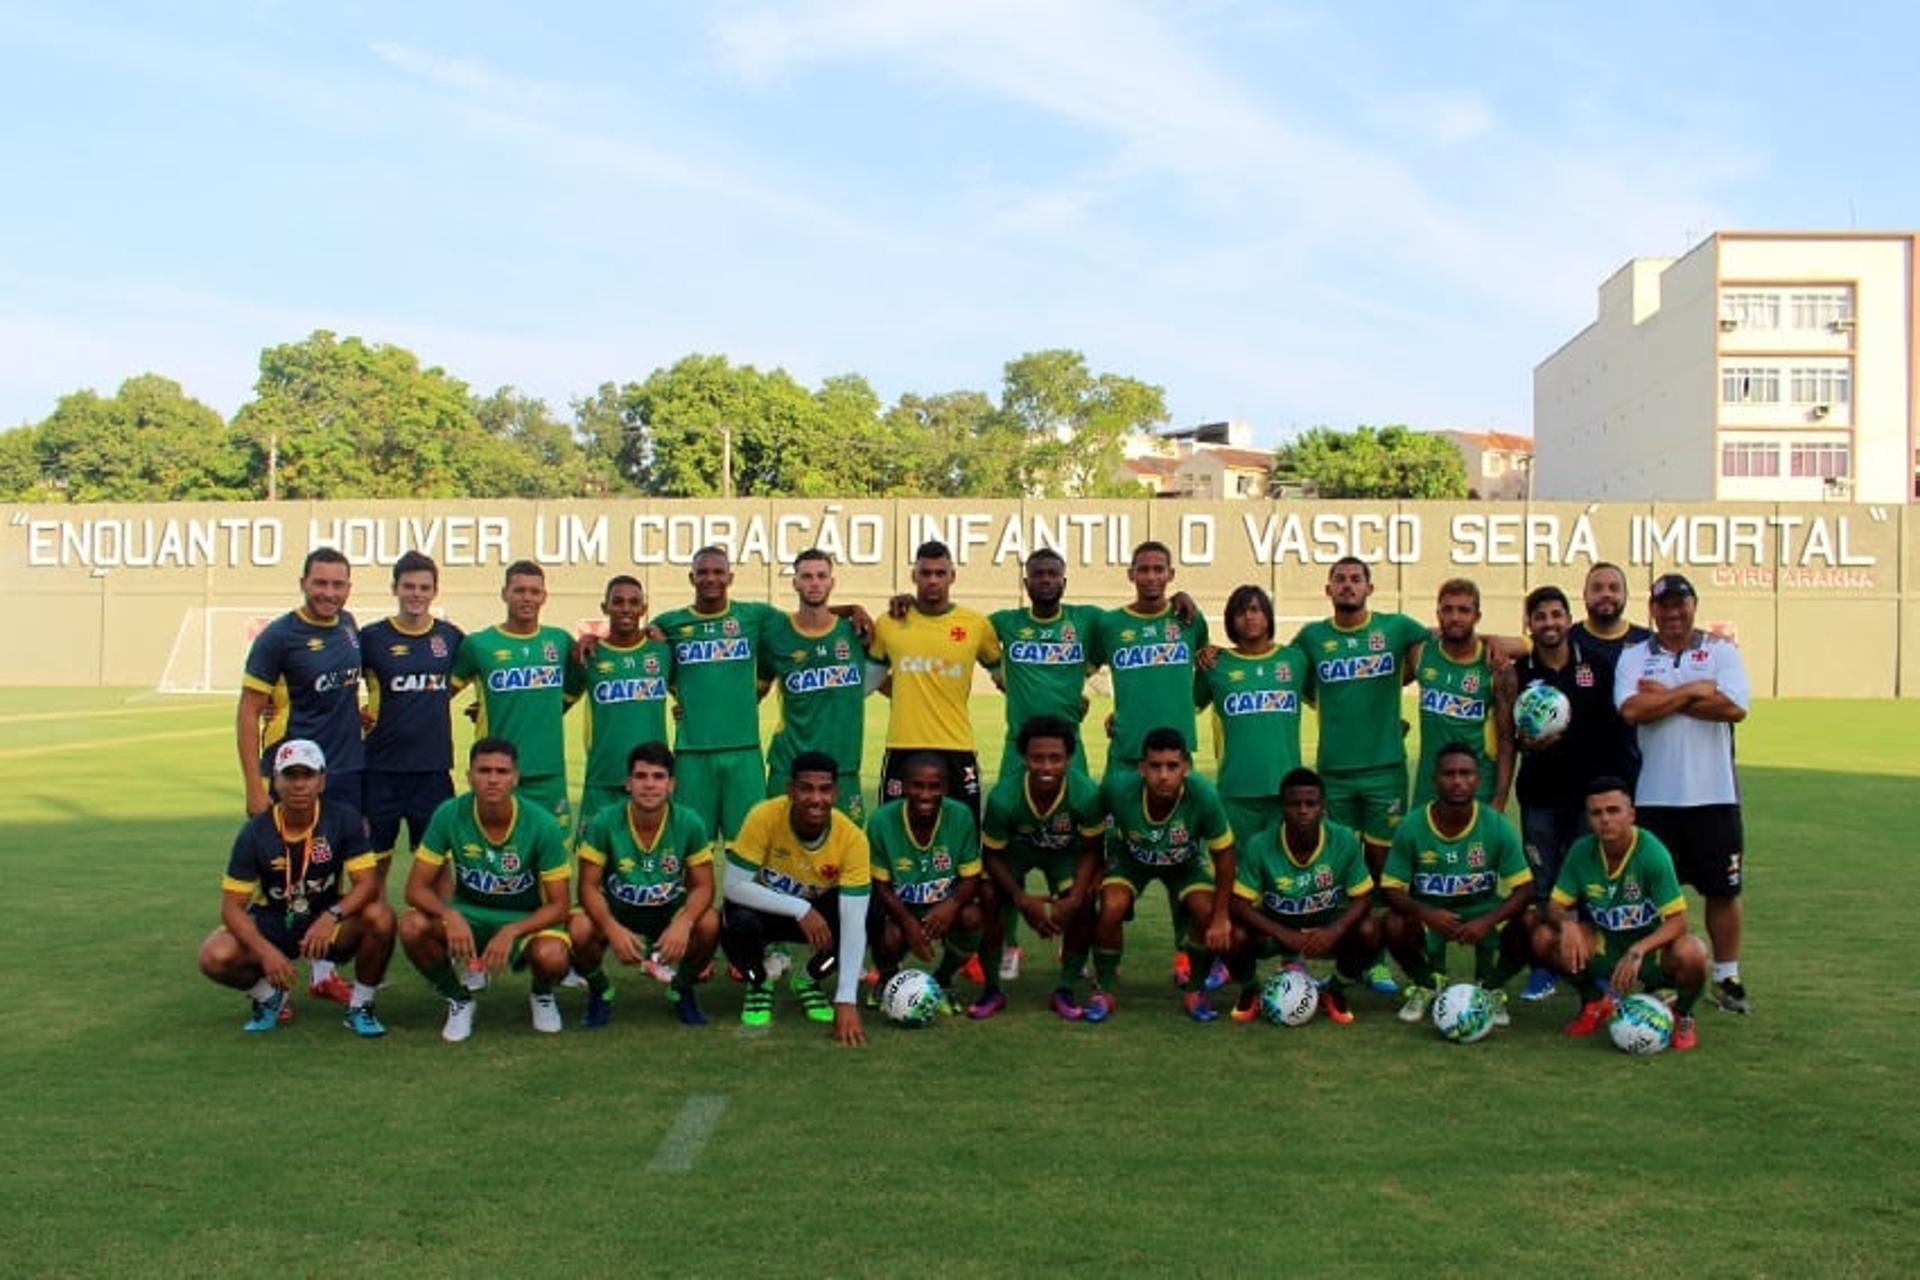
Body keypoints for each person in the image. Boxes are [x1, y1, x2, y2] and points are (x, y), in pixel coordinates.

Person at [1615, 573, 1752, 1014]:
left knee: (1723, 890)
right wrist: (1695, 690)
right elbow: (1633, 710)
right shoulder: (1635, 656)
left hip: (1714, 795)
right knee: (1655, 894)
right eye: (1664, 605)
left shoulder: (1719, 650)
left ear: (1693, 605)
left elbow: (1734, 707)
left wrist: (1668, 697)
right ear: (1652, 610)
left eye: (1681, 604)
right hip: (1655, 797)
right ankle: (1661, 975)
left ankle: (1727, 975)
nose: (1673, 612)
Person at [1290, 555, 1427, 994]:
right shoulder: (1312, 638)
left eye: (1356, 579)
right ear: (1327, 589)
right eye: (1340, 580)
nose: (1348, 586)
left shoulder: (1397, 628)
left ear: (1370, 588)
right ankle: (1346, 952)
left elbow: (1432, 652)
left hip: (1384, 771)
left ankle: (1378, 960)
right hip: (1334, 773)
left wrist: (1393, 697)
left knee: (1385, 871)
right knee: (1340, 870)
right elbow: (1293, 678)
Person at [236, 546, 366, 1003]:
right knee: (282, 876)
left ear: (348, 588)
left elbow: (345, 691)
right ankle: (267, 983)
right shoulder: (279, 637)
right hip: (292, 776)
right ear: (303, 583)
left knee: (331, 871)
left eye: (337, 584)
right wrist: (255, 784)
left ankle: (322, 974)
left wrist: (362, 716)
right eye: (321, 583)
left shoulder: (349, 627)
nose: (329, 592)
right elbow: (249, 709)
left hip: (347, 771)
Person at [197, 739, 394, 1036]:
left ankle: (361, 1006)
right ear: (275, 781)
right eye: (290, 775)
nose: (299, 784)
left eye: (307, 775)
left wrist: (332, 916)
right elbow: (231, 907)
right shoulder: (255, 833)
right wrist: (265, 952)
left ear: (322, 780)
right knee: (214, 954)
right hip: (273, 920)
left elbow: (367, 884)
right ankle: (269, 997)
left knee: (381, 916)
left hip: (326, 919)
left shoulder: (343, 819)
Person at [399, 738, 574, 1042]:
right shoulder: (449, 813)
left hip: (524, 917)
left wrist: (511, 931)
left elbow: (559, 905)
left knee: (553, 957)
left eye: (502, 771)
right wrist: (448, 914)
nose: (493, 779)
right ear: (469, 776)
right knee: (412, 926)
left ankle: (542, 993)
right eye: (484, 770)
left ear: (515, 778)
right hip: (469, 916)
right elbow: (415, 889)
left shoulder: (542, 823)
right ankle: (459, 998)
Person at [1504, 584, 1631, 1002]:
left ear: (1568, 618)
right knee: (1544, 887)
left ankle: (1591, 967)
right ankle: (1545, 966)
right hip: (1540, 798)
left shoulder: (1595, 665)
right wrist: (1527, 743)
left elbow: (1615, 732)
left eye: (1556, 615)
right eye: (1540, 617)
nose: (1549, 623)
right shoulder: (1519, 671)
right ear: (1530, 624)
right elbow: (1509, 736)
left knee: (1588, 888)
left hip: (1587, 801)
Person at [1532, 778, 1708, 1050]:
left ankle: (1682, 1013)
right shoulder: (1581, 851)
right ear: (1588, 818)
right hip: (1607, 946)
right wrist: (1568, 924)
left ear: (1631, 814)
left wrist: (1639, 950)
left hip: (1651, 951)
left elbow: (1679, 920)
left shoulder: (1652, 853)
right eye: (1596, 813)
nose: (1605, 819)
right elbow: (1555, 905)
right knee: (1544, 937)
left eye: (1613, 810)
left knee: (1693, 952)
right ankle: (1594, 1002)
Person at [719, 751, 872, 1045]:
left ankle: (810, 978)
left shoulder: (852, 839)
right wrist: (800, 908)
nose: (816, 799)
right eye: (806, 788)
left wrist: (846, 1000)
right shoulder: (763, 816)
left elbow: (854, 920)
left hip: (819, 921)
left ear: (836, 793)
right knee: (736, 920)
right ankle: (759, 980)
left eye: (825, 789)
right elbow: (733, 886)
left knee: (870, 914)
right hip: (769, 912)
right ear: (791, 790)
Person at [1379, 744, 1533, 1025]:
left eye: (1466, 773)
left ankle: (1491, 986)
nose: (1458, 781)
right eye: (1449, 774)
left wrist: (1487, 921)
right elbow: (1391, 887)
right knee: (1393, 923)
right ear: (1434, 779)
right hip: (1431, 912)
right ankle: (1426, 984)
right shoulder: (1412, 826)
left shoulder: (1496, 825)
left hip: (1482, 910)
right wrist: (1426, 913)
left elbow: (1524, 889)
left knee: (1530, 922)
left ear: (1478, 779)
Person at [569, 741, 718, 1028]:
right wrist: (612, 929)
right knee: (579, 927)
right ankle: (600, 990)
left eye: (658, 777)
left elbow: (703, 887)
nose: (649, 785)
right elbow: (587, 887)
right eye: (641, 776)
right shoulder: (604, 822)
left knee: (709, 922)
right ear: (628, 783)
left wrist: (684, 923)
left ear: (671, 784)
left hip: (668, 909)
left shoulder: (689, 822)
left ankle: (682, 988)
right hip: (618, 908)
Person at [1092, 727, 1237, 1023]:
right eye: (1155, 766)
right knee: (1111, 906)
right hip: (1132, 860)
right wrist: (1097, 868)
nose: (1163, 775)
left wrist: (1222, 916)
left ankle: (1196, 989)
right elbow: (1092, 829)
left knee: (1206, 909)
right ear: (1141, 768)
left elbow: (1225, 857)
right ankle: (1103, 988)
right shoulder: (1117, 789)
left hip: (1183, 863)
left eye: (1172, 766)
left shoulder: (1204, 795)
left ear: (1186, 767)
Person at [1224, 767, 1380, 1025]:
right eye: (1295, 804)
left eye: (1311, 803)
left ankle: (1335, 991)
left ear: (1323, 807)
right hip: (1276, 931)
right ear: (1282, 808)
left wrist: (1334, 931)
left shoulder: (1343, 839)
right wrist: (1284, 934)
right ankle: (1251, 990)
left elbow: (1363, 897)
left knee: (1370, 929)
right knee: (1233, 934)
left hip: (1325, 931)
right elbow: (1239, 905)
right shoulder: (1260, 844)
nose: (1303, 810)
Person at [980, 715, 1107, 1020]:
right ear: (1024, 758)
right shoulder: (1003, 797)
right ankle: (992, 988)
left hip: (1064, 855)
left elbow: (1092, 851)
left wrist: (1074, 899)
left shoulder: (1086, 794)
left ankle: (1065, 987)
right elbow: (992, 855)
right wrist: (1021, 899)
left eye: (1056, 758)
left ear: (1070, 759)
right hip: (1015, 854)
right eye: (1038, 758)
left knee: (1086, 900)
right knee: (986, 893)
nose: (1047, 767)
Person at [867, 539, 1002, 817]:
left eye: (940, 573)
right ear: (913, 576)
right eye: (925, 573)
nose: (932, 580)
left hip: (957, 746)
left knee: (964, 832)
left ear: (952, 576)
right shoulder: (889, 622)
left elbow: (1004, 676)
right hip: (902, 746)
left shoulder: (975, 625)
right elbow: (867, 682)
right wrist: (905, 688)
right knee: (891, 833)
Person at [654, 547, 778, 844]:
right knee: (691, 850)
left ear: (730, 577)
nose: (711, 578)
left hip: (744, 752)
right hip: (691, 754)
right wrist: (680, 694)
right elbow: (632, 646)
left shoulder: (754, 615)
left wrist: (852, 610)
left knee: (749, 851)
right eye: (703, 572)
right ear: (691, 577)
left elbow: (805, 621)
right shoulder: (668, 624)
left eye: (718, 572)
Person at [358, 551, 463, 891]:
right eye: (409, 586)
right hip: (379, 770)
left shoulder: (450, 638)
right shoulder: (371, 638)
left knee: (437, 866)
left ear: (435, 591)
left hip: (431, 771)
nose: (416, 593)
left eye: (424, 587)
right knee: (373, 866)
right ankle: (370, 935)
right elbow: (334, 680)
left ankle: (445, 933)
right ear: (395, 589)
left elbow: (481, 673)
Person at [450, 560, 579, 834]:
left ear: (544, 596)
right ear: (504, 593)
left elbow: (579, 683)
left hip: (549, 772)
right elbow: (441, 694)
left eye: (534, 591)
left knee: (553, 859)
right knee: (501, 858)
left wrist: (551, 710)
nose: (527, 598)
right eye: (519, 590)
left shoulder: (560, 641)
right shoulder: (479, 644)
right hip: (498, 773)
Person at [866, 754, 986, 1015]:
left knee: (973, 916)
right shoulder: (881, 821)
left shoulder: (960, 816)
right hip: (899, 910)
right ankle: (887, 979)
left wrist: (951, 906)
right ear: (904, 786)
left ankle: (944, 979)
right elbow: (881, 886)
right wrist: (908, 922)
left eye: (934, 786)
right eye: (917, 785)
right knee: (883, 928)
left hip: (942, 909)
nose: (925, 794)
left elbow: (971, 878)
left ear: (944, 787)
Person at [760, 549, 869, 819]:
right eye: (807, 577)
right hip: (789, 764)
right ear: (795, 583)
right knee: (780, 847)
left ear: (832, 582)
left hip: (842, 764)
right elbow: (754, 691)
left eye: (821, 576)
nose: (815, 583)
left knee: (848, 851)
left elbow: (887, 678)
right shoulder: (775, 633)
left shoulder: (857, 632)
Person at [1195, 583, 1306, 847]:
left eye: (1255, 610)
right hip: (1236, 790)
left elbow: (1338, 696)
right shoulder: (1215, 664)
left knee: (1282, 872)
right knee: (1237, 875)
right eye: (1240, 612)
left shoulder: (1295, 660)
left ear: (1268, 616)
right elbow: (1181, 708)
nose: (1249, 617)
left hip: (1285, 790)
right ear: (1230, 621)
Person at [1091, 541, 1212, 782]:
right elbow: (1080, 669)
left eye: (1159, 569)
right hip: (1128, 748)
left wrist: (1190, 708)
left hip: (1177, 751)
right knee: (1115, 819)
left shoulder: (1190, 620)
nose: (1151, 576)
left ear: (1171, 574)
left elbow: (1207, 665)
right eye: (1143, 570)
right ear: (1131, 575)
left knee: (1179, 820)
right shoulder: (1110, 624)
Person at [985, 548, 1100, 781]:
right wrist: (998, 672)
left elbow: (1128, 627)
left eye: (1052, 574)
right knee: (1004, 808)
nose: (1045, 579)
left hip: (1068, 742)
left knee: (1084, 807)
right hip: (1019, 742)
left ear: (1064, 582)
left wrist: (1177, 599)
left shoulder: (1086, 619)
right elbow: (966, 635)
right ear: (1026, 583)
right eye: (1038, 574)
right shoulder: (1006, 621)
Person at [568, 575, 673, 825]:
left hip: (652, 778)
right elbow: (555, 701)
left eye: (634, 602)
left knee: (652, 856)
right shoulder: (588, 655)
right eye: (618, 601)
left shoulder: (663, 652)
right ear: (605, 607)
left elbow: (692, 691)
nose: (626, 608)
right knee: (594, 858)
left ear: (644, 608)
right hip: (604, 776)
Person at [1411, 578, 1514, 810]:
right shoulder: (1420, 653)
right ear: (1438, 614)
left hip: (1478, 786)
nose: (1455, 617)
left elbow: (1507, 739)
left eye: (1464, 610)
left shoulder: (1496, 665)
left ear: (1477, 616)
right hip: (1429, 786)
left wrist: (1500, 798)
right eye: (1447, 610)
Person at [1569, 562, 1652, 658]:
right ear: (1585, 595)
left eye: (1614, 588)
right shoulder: (1567, 640)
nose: (1606, 594)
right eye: (1597, 588)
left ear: (1625, 595)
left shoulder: (1647, 642)